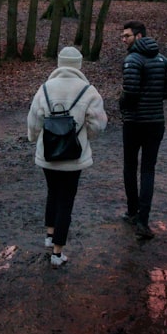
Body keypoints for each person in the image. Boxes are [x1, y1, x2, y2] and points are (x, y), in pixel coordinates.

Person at [27, 46, 107, 269]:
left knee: (52, 192)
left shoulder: (44, 89)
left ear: (59, 64)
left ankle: (49, 236)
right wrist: (82, 136)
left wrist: (34, 139)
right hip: (74, 157)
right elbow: (99, 125)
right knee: (66, 201)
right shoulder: (89, 91)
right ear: (79, 65)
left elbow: (34, 121)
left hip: (48, 154)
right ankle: (57, 253)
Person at [119, 21, 167, 241]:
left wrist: (122, 101)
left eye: (126, 36)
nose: (123, 39)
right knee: (148, 170)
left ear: (139, 36)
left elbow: (130, 93)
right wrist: (152, 99)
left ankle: (133, 213)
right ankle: (143, 219)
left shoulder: (132, 60)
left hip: (134, 122)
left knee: (130, 167)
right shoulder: (163, 60)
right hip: (155, 122)